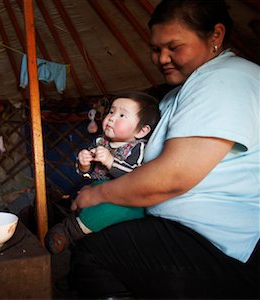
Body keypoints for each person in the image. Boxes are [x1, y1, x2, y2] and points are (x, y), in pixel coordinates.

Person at [68, 0, 260, 298]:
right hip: (189, 232)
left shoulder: (225, 79)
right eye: (156, 49)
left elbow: (172, 177)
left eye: (174, 47)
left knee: (94, 254)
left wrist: (97, 193)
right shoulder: (179, 93)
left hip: (221, 245)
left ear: (215, 37)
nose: (162, 58)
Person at [45, 92, 160, 255]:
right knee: (82, 196)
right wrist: (84, 164)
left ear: (141, 130)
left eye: (122, 115)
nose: (112, 118)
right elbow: (88, 174)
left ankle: (68, 231)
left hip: (124, 195)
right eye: (111, 112)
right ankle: (77, 228)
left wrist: (111, 162)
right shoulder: (101, 142)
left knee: (122, 210)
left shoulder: (138, 148)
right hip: (98, 188)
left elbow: (135, 178)